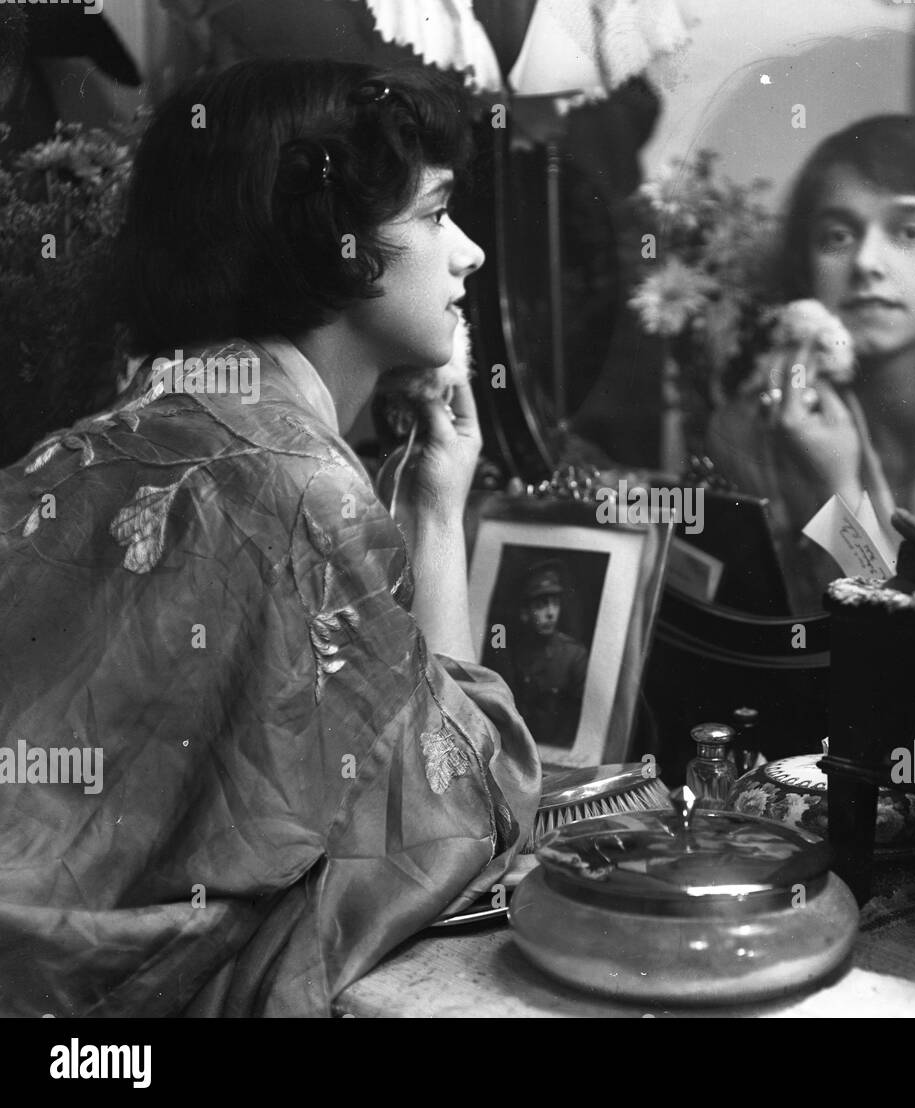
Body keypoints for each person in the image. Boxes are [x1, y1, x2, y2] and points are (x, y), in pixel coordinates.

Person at [0, 59, 541, 1017]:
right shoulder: (300, 487)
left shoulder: (119, 427)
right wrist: (434, 517)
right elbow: (467, 799)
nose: (471, 255)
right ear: (336, 244)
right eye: (434, 215)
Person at [707, 115, 915, 608]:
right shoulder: (752, 429)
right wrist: (833, 489)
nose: (866, 262)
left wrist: (838, 494)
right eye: (837, 236)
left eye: (911, 231)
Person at [490, 560, 590, 751]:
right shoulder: (513, 654)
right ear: (525, 612)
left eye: (555, 603)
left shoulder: (574, 656)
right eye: (542, 605)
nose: (551, 613)